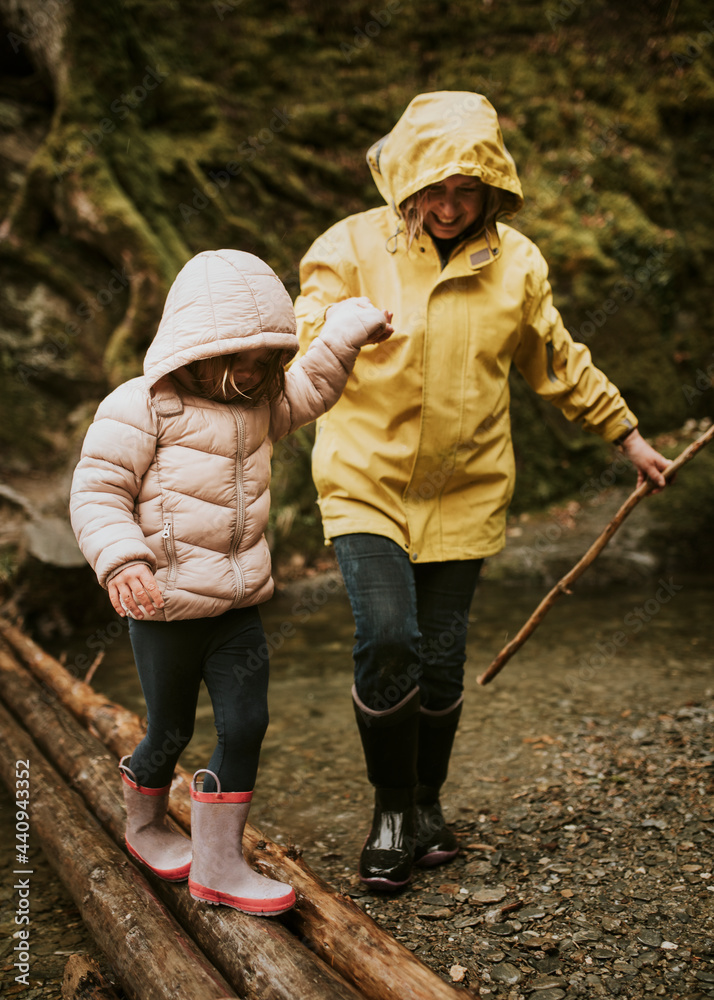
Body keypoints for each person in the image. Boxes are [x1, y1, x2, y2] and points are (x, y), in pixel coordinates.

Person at [294, 91, 671, 892]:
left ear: (493, 189)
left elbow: (558, 361)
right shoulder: (350, 246)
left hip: (466, 487)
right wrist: (341, 328)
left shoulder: (517, 263)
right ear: (407, 181)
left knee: (441, 659)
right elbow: (303, 333)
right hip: (367, 479)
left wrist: (629, 437)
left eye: (465, 191)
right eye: (432, 188)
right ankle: (392, 810)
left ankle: (428, 804)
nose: (446, 205)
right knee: (388, 638)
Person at [70, 249, 391, 914]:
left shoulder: (261, 402)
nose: (251, 373)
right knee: (170, 731)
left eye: (264, 358)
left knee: (246, 723)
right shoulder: (144, 406)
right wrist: (124, 559)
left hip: (239, 604)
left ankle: (219, 865)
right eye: (236, 358)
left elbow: (311, 389)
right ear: (195, 345)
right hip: (162, 607)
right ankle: (144, 821)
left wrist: (342, 335)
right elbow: (97, 490)